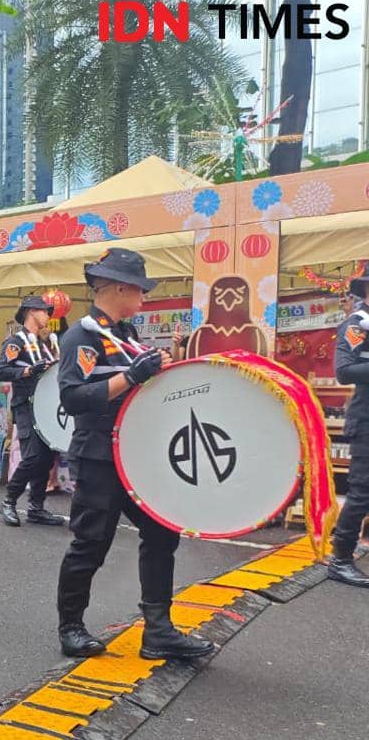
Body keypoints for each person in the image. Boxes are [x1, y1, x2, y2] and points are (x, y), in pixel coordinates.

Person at [55, 247, 214, 660]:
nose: (144, 299)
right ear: (120, 289)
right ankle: (71, 626)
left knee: (162, 531)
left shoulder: (125, 335)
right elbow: (73, 398)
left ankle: (158, 630)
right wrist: (130, 376)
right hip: (98, 456)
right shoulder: (82, 336)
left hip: (136, 454)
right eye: (139, 291)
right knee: (91, 543)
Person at [0, 295, 64, 528]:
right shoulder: (16, 341)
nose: (48, 316)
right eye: (45, 311)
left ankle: (36, 508)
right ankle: (8, 501)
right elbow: (2, 371)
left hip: (45, 407)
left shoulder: (43, 344)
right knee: (33, 455)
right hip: (25, 405)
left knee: (46, 457)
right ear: (32, 311)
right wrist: (27, 372)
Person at [328, 270, 369, 587]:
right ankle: (340, 558)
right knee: (362, 493)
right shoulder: (358, 325)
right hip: (366, 421)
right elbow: (344, 371)